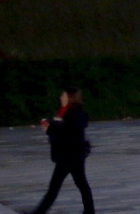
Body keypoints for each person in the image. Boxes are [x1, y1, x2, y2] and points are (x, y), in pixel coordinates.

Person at [29, 86, 94, 214]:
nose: (61, 98)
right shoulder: (65, 112)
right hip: (68, 154)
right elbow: (60, 129)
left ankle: (39, 212)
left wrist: (49, 129)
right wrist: (50, 127)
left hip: (71, 155)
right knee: (79, 184)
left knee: (60, 186)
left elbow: (66, 132)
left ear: (70, 98)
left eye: (63, 96)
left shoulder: (75, 114)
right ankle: (89, 211)